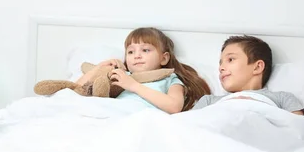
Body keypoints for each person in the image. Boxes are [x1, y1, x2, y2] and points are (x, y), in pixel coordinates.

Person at [78, 27, 211, 113]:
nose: (137, 55)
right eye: (130, 52)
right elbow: (77, 89)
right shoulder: (123, 75)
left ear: (163, 58)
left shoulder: (170, 79)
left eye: (145, 50)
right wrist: (99, 68)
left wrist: (133, 86)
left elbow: (174, 106)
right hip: (114, 114)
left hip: (145, 121)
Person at [192, 35, 304, 115]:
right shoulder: (209, 101)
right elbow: (186, 126)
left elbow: (298, 129)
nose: (221, 68)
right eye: (220, 63)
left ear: (257, 67)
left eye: (230, 59)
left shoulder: (283, 98)